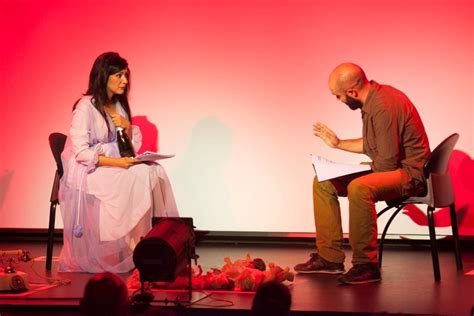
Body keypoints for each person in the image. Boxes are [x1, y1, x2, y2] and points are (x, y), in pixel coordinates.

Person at [294, 63, 430, 284]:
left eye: (338, 97)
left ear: (352, 93)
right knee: (323, 181)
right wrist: (338, 144)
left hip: (410, 176)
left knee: (360, 187)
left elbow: (386, 165)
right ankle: (330, 258)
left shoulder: (383, 106)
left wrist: (356, 173)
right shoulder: (373, 100)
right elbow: (372, 145)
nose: (339, 101)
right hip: (393, 168)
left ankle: (366, 264)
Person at [59, 52, 179, 273]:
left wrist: (126, 127)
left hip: (111, 164)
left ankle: (147, 243)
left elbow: (129, 148)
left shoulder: (118, 106)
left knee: (155, 171)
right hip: (89, 170)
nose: (125, 81)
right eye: (119, 75)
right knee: (139, 175)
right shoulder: (85, 106)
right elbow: (82, 153)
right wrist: (118, 164)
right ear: (104, 76)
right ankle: (136, 247)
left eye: (126, 75)